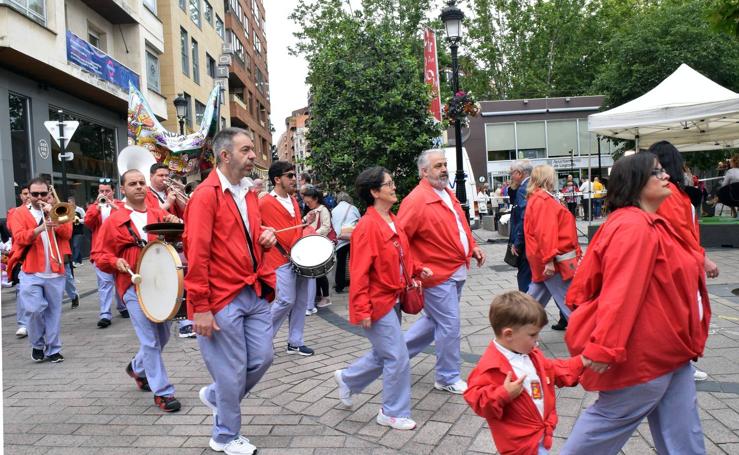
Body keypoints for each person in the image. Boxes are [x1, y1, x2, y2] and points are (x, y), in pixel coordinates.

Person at [561, 152, 710, 455]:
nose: (667, 175)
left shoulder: (646, 221)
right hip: (647, 353)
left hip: (668, 350)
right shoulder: (634, 226)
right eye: (657, 173)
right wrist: (605, 347)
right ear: (636, 183)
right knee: (606, 424)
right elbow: (622, 291)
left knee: (683, 435)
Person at [183, 127, 277, 455]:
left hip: (253, 289)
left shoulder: (248, 193)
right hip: (221, 296)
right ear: (225, 156)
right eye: (247, 150)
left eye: (253, 150)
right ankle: (224, 435)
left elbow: (245, 235)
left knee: (264, 357)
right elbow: (197, 252)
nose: (254, 156)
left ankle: (217, 396)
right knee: (232, 369)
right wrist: (201, 307)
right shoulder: (205, 196)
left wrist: (265, 235)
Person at [334, 166, 432, 430]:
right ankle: (392, 412)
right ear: (375, 192)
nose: (394, 187)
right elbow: (359, 271)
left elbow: (401, 255)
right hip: (378, 302)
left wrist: (416, 269)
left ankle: (349, 379)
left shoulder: (392, 218)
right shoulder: (367, 226)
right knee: (397, 356)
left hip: (394, 296)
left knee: (385, 353)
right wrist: (362, 308)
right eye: (388, 184)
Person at [92, 169, 182, 412]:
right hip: (133, 285)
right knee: (150, 340)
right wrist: (114, 262)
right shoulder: (113, 220)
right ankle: (163, 392)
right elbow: (99, 255)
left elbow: (175, 242)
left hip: (160, 284)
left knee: (162, 337)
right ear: (124, 189)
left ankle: (136, 368)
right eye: (133, 184)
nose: (139, 187)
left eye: (142, 182)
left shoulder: (158, 213)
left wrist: (176, 224)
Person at [397, 149, 486, 394]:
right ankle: (447, 377)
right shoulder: (416, 200)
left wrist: (473, 246)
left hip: (455, 269)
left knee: (432, 323)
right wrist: (415, 269)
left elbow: (459, 226)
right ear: (423, 171)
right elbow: (400, 239)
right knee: (449, 325)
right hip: (436, 275)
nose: (444, 169)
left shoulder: (446, 193)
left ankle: (391, 357)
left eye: (445, 164)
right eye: (438, 166)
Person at [464, 291, 590, 455]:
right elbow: (476, 400)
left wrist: (581, 362)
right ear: (508, 334)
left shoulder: (531, 354)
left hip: (540, 432)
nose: (537, 340)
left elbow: (552, 370)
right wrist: (504, 393)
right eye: (532, 335)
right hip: (519, 444)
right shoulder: (490, 367)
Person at [650, 141, 719, 382]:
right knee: (685, 316)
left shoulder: (672, 193)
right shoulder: (670, 194)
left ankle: (681, 363)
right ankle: (681, 362)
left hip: (681, 263)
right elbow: (680, 232)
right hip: (679, 266)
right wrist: (703, 259)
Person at [7, 177, 72, 363]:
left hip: (55, 269)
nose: (38, 197)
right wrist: (40, 229)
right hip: (30, 270)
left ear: (49, 194)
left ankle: (53, 349)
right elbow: (19, 238)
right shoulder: (18, 213)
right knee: (34, 310)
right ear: (28, 195)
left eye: (43, 193)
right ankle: (37, 344)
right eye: (34, 194)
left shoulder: (57, 210)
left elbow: (67, 234)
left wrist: (53, 216)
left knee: (53, 312)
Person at [259, 160, 316, 356]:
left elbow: (294, 225)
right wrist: (265, 229)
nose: (295, 179)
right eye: (290, 176)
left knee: (300, 301)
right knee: (285, 300)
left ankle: (295, 341)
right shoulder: (264, 202)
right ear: (277, 179)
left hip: (299, 258)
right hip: (279, 259)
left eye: (295, 175)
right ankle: (262, 339)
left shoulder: (294, 200)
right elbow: (252, 226)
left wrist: (304, 222)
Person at [524, 165, 581, 331]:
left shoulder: (538, 198)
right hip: (556, 262)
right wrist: (549, 260)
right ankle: (585, 336)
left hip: (549, 260)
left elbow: (544, 232)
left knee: (533, 302)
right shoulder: (543, 200)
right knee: (570, 301)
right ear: (547, 178)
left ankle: (517, 331)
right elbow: (545, 232)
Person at [145, 163, 194, 339]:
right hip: (156, 242)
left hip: (175, 240)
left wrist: (179, 196)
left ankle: (185, 320)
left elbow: (189, 211)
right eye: (160, 175)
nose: (165, 179)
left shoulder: (169, 191)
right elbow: (147, 214)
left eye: (167, 175)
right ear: (151, 176)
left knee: (180, 276)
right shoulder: (146, 193)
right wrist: (167, 204)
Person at [84, 179, 127, 328]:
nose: (104, 194)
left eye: (107, 191)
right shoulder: (94, 207)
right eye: (101, 191)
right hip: (101, 250)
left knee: (121, 279)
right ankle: (105, 314)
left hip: (119, 250)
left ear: (113, 191)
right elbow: (88, 223)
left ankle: (122, 306)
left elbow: (127, 220)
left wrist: (114, 206)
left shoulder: (120, 205)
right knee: (105, 283)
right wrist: (96, 207)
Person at [302, 186, 332, 312]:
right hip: (310, 243)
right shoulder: (310, 211)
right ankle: (317, 296)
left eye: (309, 202)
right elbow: (302, 223)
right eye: (306, 203)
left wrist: (312, 234)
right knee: (314, 273)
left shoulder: (323, 210)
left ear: (316, 199)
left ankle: (325, 297)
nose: (308, 204)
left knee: (320, 272)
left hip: (318, 243)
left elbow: (326, 227)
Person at [8, 185, 30, 338]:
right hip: (22, 255)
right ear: (20, 196)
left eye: (30, 193)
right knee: (21, 290)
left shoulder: (44, 209)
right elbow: (11, 229)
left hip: (42, 257)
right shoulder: (14, 212)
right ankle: (23, 324)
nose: (28, 196)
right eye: (25, 194)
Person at [508, 160, 533, 292]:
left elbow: (523, 219)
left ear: (519, 173)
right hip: (531, 242)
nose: (511, 176)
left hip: (525, 244)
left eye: (511, 173)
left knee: (525, 280)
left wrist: (517, 243)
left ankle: (527, 311)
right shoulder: (530, 186)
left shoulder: (524, 189)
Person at [331, 192, 360, 293]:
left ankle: (339, 286)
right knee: (354, 263)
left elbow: (333, 224)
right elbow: (360, 221)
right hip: (352, 238)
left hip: (340, 239)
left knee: (341, 263)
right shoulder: (353, 208)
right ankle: (356, 285)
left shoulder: (334, 210)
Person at [68, 196, 86, 266]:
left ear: (73, 202)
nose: (68, 204)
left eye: (69, 202)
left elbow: (85, 219)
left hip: (78, 231)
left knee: (76, 245)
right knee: (75, 246)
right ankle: (80, 261)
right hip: (71, 231)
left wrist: (76, 220)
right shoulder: (68, 210)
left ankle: (74, 261)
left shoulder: (80, 210)